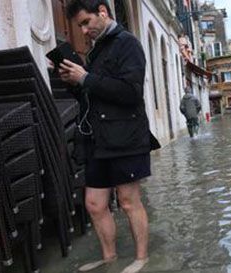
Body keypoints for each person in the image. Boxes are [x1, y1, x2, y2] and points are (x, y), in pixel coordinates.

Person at [55, 1, 156, 272]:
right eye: (80, 26)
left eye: (86, 22)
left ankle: (142, 258)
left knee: (127, 200)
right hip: (97, 139)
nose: (84, 30)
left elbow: (131, 92)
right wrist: (74, 82)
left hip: (126, 136)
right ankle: (109, 258)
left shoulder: (128, 43)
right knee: (94, 203)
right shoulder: (96, 50)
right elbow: (94, 95)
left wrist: (85, 78)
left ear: (102, 11)